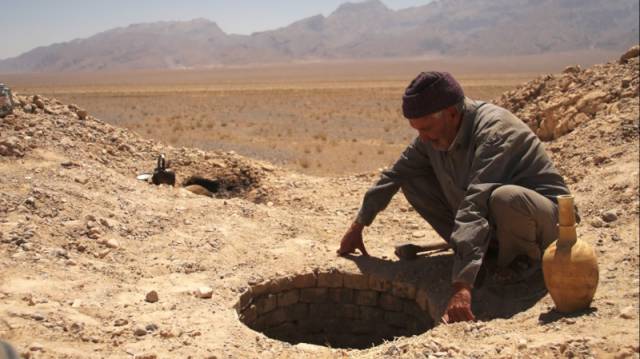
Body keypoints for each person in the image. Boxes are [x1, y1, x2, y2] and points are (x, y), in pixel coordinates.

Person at [337, 71, 571, 323]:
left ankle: (522, 261)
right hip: (496, 221)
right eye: (417, 130)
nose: (423, 137)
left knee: (505, 197)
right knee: (412, 179)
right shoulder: (434, 135)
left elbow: (476, 202)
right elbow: (395, 175)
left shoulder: (494, 133)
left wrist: (461, 287)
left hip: (548, 225)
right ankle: (483, 257)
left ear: (451, 113)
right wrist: (358, 225)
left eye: (426, 128)